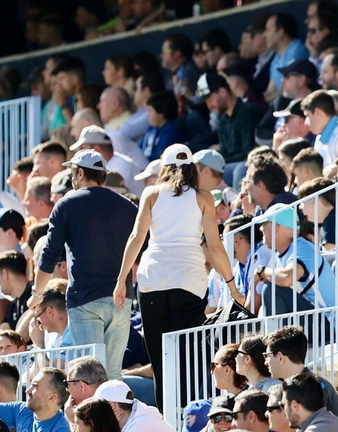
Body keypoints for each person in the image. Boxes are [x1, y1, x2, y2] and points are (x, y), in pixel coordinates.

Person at [113, 144, 245, 406]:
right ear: (192, 169)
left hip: (152, 280)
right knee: (188, 357)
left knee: (160, 361)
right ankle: (185, 419)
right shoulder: (204, 197)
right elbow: (215, 246)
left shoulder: (150, 193)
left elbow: (137, 238)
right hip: (189, 280)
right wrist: (232, 286)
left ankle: (167, 419)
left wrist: (121, 281)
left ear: (164, 167)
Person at [35, 150, 139, 379]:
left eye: (72, 172)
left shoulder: (66, 205)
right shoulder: (128, 207)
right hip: (121, 299)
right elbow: (143, 248)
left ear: (80, 173)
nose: (72, 177)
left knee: (91, 375)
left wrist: (37, 293)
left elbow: (49, 255)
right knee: (112, 375)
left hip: (85, 300)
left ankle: (97, 415)